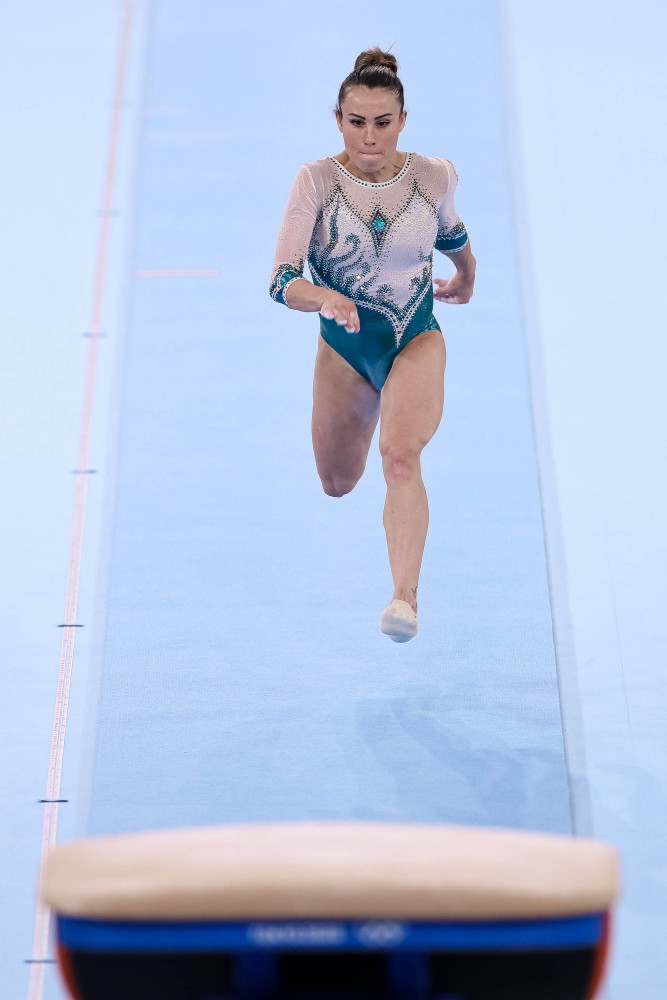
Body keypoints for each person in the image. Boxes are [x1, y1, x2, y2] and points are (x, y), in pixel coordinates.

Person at [269, 47, 476, 643]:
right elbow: (282, 280)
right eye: (357, 122)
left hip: (415, 336)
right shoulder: (316, 182)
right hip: (345, 348)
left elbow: (452, 233)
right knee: (337, 482)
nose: (369, 136)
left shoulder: (433, 175)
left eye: (383, 123)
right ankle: (369, 405)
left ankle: (404, 599)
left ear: (402, 121)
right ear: (338, 119)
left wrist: (466, 275)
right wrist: (324, 298)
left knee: (401, 456)